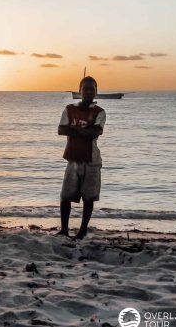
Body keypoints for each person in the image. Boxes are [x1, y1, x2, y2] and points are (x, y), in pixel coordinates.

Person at [56, 76, 106, 240]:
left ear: (96, 92)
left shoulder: (99, 112)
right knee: (65, 196)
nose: (89, 92)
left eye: (92, 89)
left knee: (88, 197)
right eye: (86, 89)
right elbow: (61, 130)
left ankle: (82, 231)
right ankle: (64, 230)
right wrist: (84, 131)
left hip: (91, 160)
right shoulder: (69, 109)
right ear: (80, 91)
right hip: (73, 158)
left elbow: (96, 132)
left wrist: (74, 129)